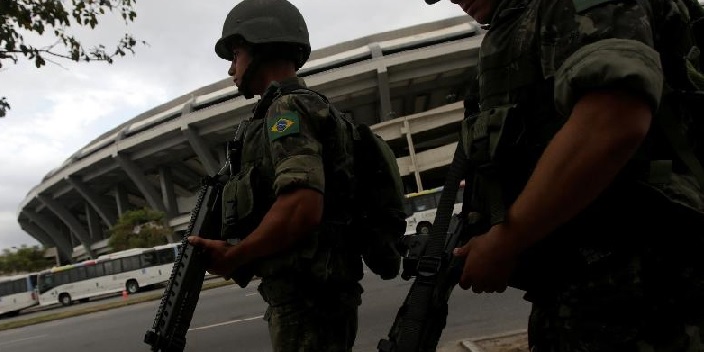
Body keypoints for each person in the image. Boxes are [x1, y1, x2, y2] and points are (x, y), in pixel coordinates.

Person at [421, 0, 704, 350]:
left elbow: (611, 120)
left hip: (651, 292)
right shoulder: (518, 29)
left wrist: (507, 240)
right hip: (585, 298)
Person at [187, 0, 364, 351]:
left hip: (308, 302)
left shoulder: (287, 108)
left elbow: (302, 206)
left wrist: (235, 255)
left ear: (260, 44)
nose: (230, 69)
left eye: (234, 54)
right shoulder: (305, 106)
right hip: (315, 297)